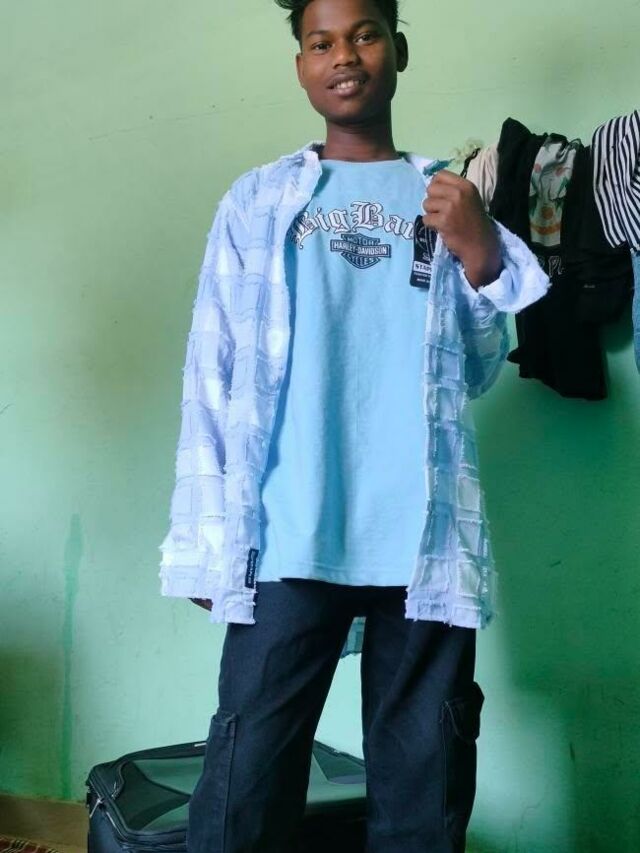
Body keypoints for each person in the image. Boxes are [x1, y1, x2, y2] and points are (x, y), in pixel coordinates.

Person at [158, 1, 549, 850]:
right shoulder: (260, 200)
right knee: (246, 780)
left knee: (424, 784)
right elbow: (211, 372)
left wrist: (481, 251)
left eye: (365, 35)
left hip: (421, 541)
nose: (345, 56)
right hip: (287, 531)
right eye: (321, 42)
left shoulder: (447, 195)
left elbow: (478, 368)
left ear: (398, 49)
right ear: (301, 64)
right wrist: (203, 536)